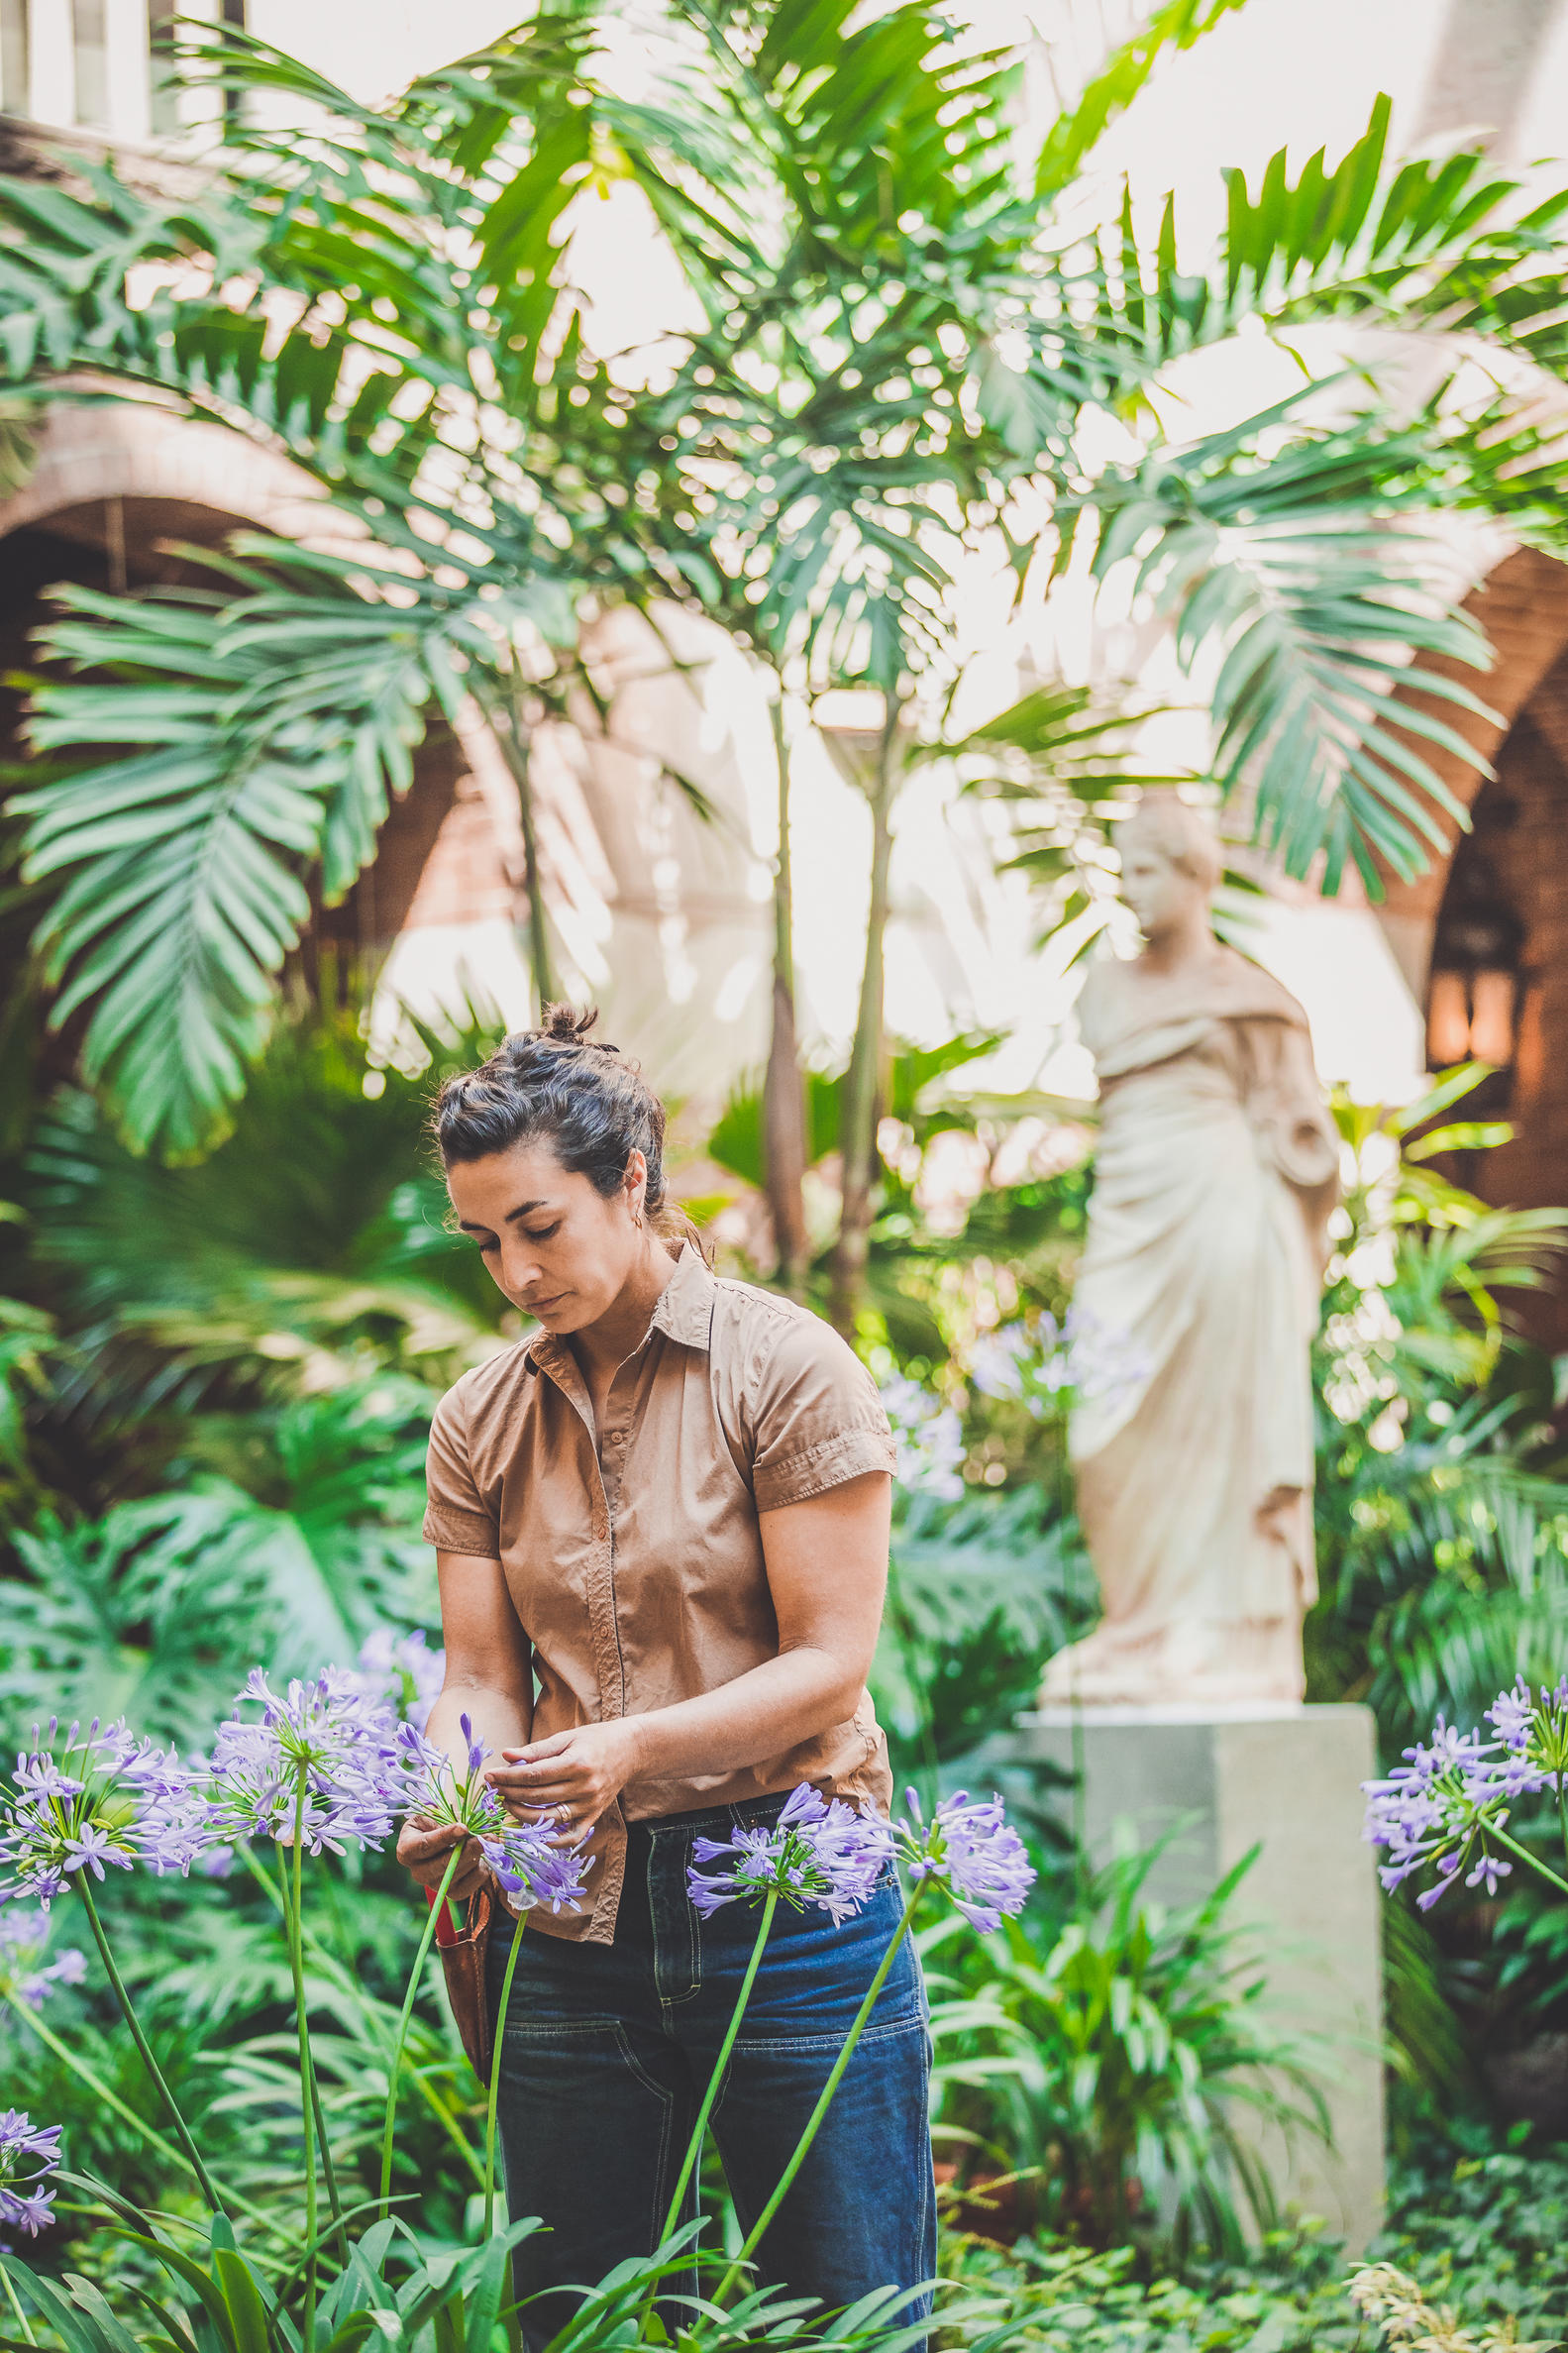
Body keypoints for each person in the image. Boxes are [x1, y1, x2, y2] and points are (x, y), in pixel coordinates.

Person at [397, 1005, 933, 2340]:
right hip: (569, 1917)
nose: (513, 1272)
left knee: (851, 2310)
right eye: (483, 1242)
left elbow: (828, 1662)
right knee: (572, 2316)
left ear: (629, 1179)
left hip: (791, 1895)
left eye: (538, 1225)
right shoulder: (477, 1418)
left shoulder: (785, 1366)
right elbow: (478, 1669)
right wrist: (459, 1784)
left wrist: (628, 1749)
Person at [1038, 798, 1340, 1707]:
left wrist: (1306, 1147)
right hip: (1129, 1220)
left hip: (1222, 1222)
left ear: (1195, 873)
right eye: (1122, 870)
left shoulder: (1253, 1000)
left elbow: (1304, 1132)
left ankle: (1220, 1639)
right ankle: (1136, 1627)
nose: (1130, 891)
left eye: (1147, 871)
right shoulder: (1102, 990)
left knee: (1224, 1428)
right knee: (1104, 1429)